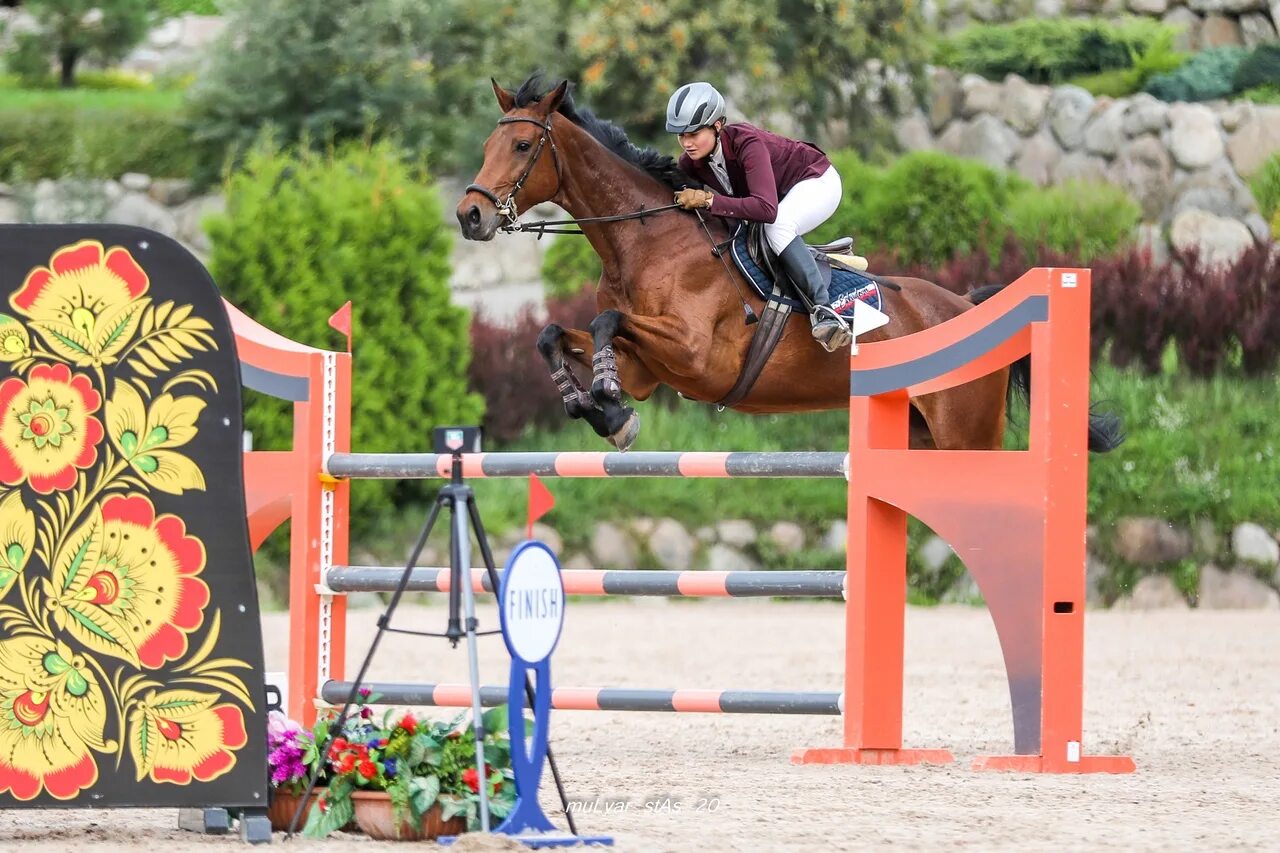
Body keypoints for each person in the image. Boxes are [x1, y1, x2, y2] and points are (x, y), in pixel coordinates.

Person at [666, 81, 850, 351]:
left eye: (694, 133)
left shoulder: (746, 143)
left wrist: (709, 200)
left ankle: (824, 309)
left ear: (718, 125)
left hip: (817, 182)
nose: (687, 143)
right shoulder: (690, 162)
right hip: (781, 198)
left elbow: (765, 209)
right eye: (681, 136)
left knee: (776, 227)